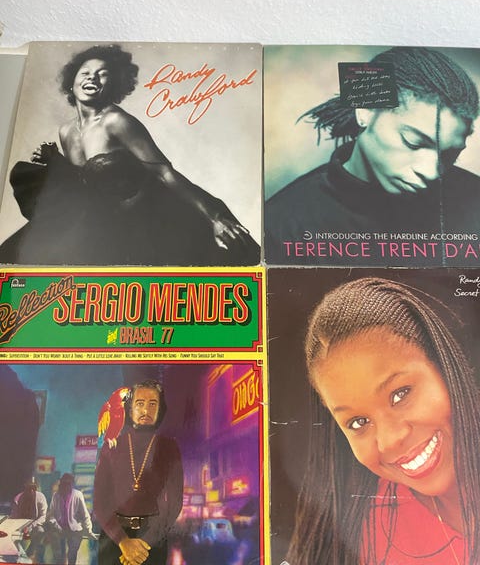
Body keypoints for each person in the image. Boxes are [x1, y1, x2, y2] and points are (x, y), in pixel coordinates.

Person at [0, 44, 259, 265]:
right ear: (72, 81)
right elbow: (81, 185)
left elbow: (165, 173)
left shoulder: (117, 121)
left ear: (113, 84)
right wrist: (54, 162)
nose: (93, 78)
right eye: (86, 73)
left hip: (148, 219)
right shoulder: (66, 131)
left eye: (102, 74)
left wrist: (214, 217)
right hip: (104, 225)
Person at [287, 277, 480, 565]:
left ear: (442, 365)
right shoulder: (369, 534)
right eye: (358, 422)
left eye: (400, 394)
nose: (391, 440)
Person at [265, 46, 480, 265]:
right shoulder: (281, 224)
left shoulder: (475, 200)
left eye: (450, 155)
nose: (431, 172)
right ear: (365, 110)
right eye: (413, 142)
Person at [93, 379, 183, 565]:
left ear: (160, 409)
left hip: (153, 541)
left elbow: (174, 503)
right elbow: (100, 502)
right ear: (129, 409)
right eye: (139, 404)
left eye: (153, 404)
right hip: (114, 541)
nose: (146, 410)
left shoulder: (169, 447)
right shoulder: (112, 445)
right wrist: (124, 542)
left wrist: (144, 543)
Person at [46, 472, 95, 565]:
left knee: (72, 554)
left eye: (68, 484)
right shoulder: (56, 496)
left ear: (71, 484)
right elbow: (51, 515)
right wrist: (57, 526)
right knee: (58, 554)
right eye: (64, 483)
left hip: (75, 530)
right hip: (60, 529)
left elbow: (85, 515)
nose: (65, 486)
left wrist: (89, 530)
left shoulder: (77, 495)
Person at [11, 478, 47, 562]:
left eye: (33, 488)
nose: (31, 491)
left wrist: (31, 526)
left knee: (40, 531)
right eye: (29, 488)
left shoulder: (40, 497)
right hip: (20, 525)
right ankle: (18, 555)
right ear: (25, 488)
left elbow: (43, 516)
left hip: (34, 525)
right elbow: (14, 516)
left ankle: (29, 553)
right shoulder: (18, 498)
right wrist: (19, 527)